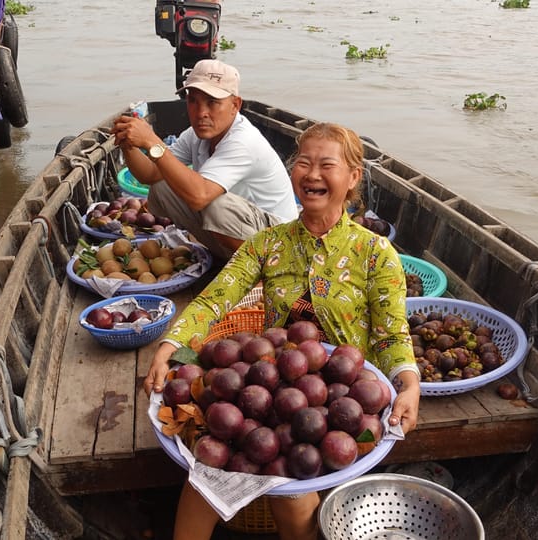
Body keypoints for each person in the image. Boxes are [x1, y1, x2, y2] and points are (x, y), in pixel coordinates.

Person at [142, 122, 422, 540]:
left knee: (293, 502)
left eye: (327, 165)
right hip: (271, 391)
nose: (312, 174)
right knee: (201, 484)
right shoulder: (267, 243)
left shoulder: (375, 252)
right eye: (303, 163)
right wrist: (170, 346)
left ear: (353, 178)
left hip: (344, 404)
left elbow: (391, 334)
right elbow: (214, 299)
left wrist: (409, 383)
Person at [110, 59, 299, 261]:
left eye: (213, 102)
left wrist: (151, 141)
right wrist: (127, 144)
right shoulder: (196, 135)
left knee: (214, 205)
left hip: (278, 244)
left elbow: (199, 196)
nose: (201, 113)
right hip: (246, 235)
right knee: (162, 185)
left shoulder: (243, 141)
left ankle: (260, 270)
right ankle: (226, 257)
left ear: (235, 105)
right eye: (193, 101)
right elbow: (150, 174)